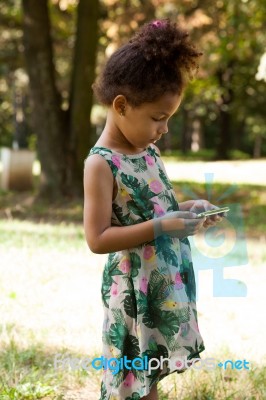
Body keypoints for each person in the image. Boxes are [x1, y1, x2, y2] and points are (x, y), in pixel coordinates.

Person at [83, 18, 224, 400]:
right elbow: (97, 238)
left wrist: (188, 209)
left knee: (151, 374)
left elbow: (155, 209)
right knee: (130, 381)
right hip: (132, 290)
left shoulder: (148, 152)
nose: (163, 130)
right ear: (121, 105)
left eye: (169, 119)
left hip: (162, 279)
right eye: (158, 119)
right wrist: (162, 227)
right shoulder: (101, 164)